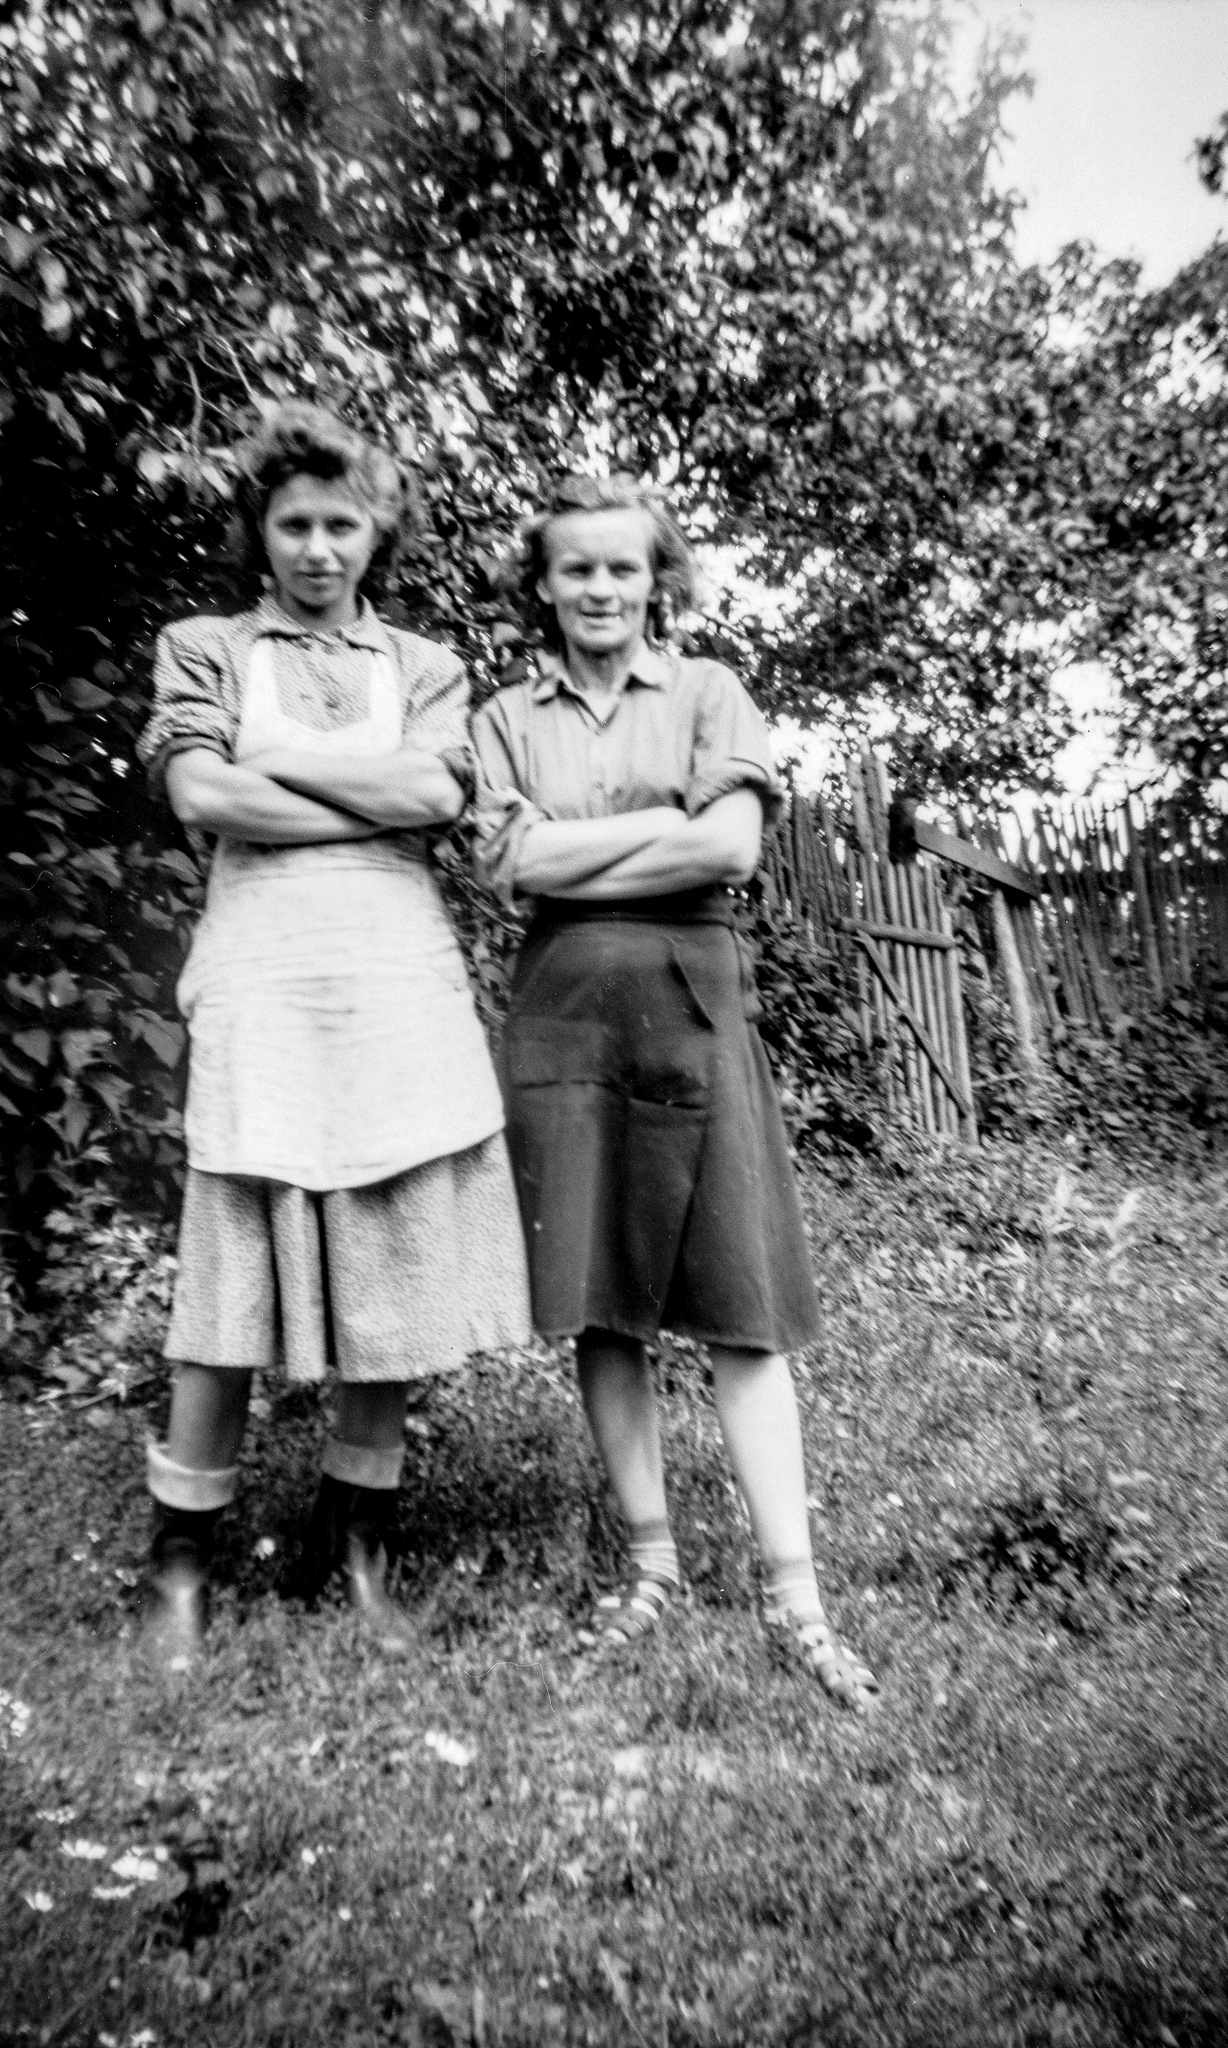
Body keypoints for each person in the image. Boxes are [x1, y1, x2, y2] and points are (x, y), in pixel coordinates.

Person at [471, 473, 878, 1713]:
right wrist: (655, 828)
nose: (599, 588)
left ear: (659, 582)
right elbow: (506, 865)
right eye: (575, 567)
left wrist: (569, 854)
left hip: (692, 1003)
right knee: (602, 1303)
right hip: (562, 1015)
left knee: (739, 1303)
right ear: (542, 584)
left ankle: (794, 1593)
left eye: (622, 567)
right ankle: (649, 1564)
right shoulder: (502, 717)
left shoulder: (709, 691)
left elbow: (730, 847)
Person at [135, 401, 529, 1668]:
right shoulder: (204, 646)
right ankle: (178, 1563)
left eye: (341, 526)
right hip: (261, 977)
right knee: (227, 1276)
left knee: (394, 1265)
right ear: (259, 530)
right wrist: (360, 797)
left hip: (397, 982)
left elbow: (433, 791)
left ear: (376, 537)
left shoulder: (423, 665)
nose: (316, 547)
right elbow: (200, 790)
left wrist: (272, 762)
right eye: (294, 523)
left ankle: (352, 1543)